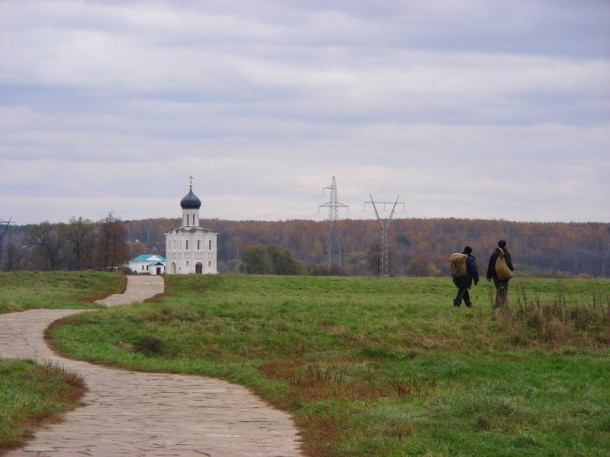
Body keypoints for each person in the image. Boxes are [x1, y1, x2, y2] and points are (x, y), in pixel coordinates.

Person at [486, 240, 514, 308]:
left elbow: (490, 265)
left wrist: (488, 276)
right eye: (506, 245)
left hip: (495, 276)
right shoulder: (506, 254)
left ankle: (501, 305)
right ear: (504, 246)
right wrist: (511, 269)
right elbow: (509, 264)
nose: (507, 246)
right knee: (503, 291)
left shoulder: (494, 254)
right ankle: (500, 305)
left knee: (499, 289)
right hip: (503, 276)